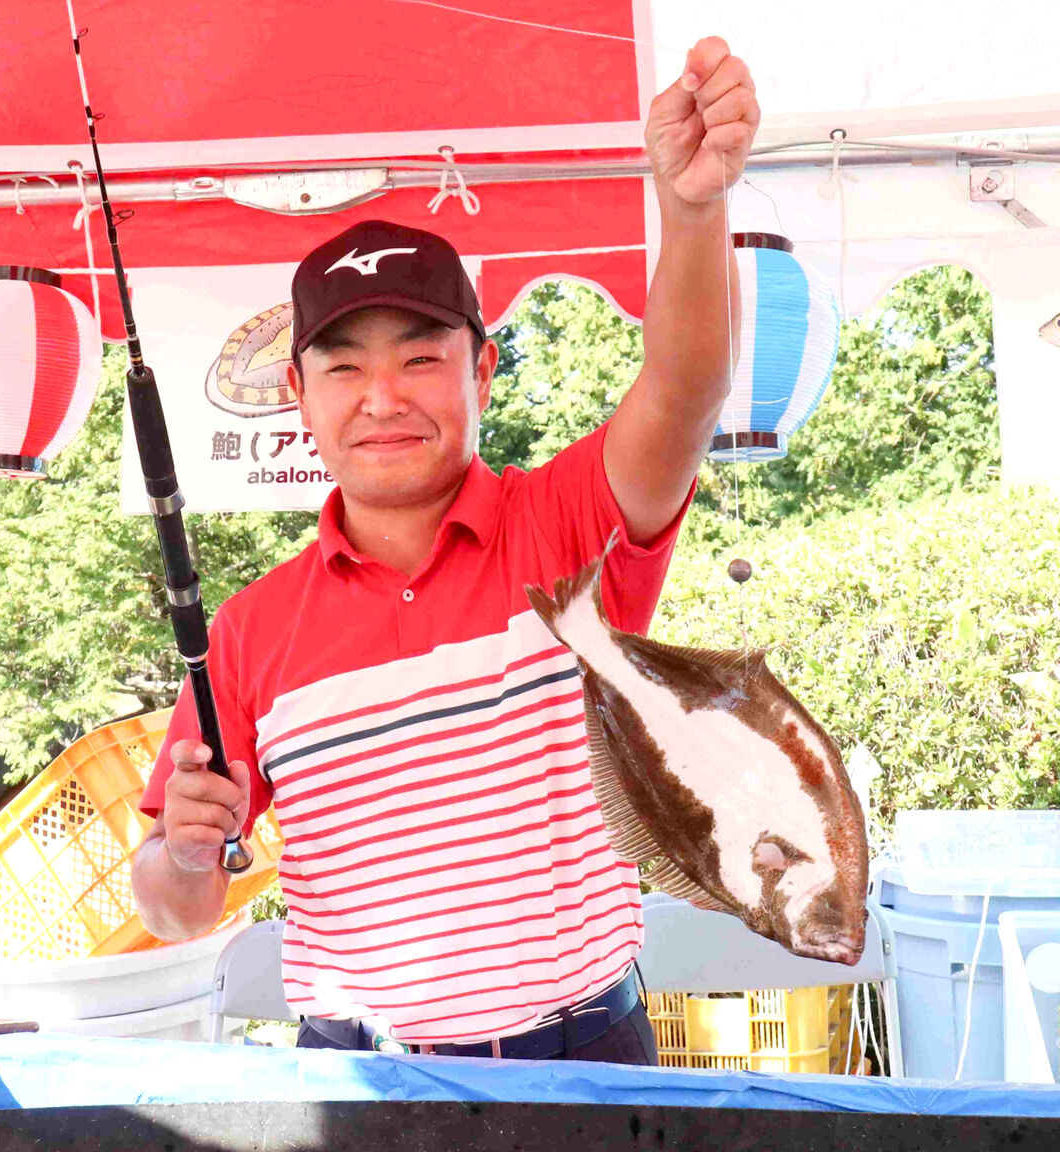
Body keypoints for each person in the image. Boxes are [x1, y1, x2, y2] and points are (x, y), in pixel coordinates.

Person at [133, 36, 760, 1065]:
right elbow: (171, 908)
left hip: (587, 1057)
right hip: (358, 1076)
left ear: (484, 368)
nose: (383, 399)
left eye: (422, 358)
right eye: (344, 369)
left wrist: (691, 210)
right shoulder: (246, 632)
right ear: (296, 394)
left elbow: (685, 393)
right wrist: (187, 851)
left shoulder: (565, 527)